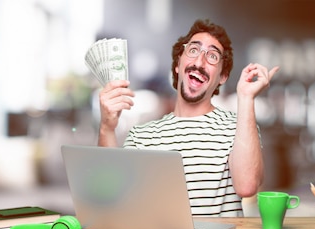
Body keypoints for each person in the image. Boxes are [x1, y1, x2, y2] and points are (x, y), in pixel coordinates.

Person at [96, 19, 279, 217]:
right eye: (193, 50)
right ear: (177, 65)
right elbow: (111, 198)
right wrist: (107, 127)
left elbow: (247, 186)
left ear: (223, 77)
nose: (199, 62)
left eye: (212, 56)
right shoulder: (142, 135)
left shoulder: (240, 129)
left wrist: (246, 97)